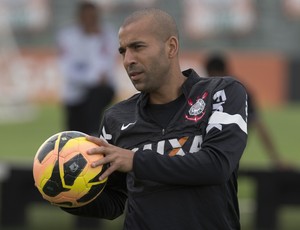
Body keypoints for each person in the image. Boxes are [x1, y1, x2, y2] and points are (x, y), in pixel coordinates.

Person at [62, 8, 248, 230]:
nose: (128, 60)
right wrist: (66, 194)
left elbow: (217, 165)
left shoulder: (221, 92)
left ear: (171, 47)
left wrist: (135, 161)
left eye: (137, 47)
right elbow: (115, 202)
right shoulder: (115, 118)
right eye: (122, 51)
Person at [204, 53, 289, 169]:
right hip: (230, 146)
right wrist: (275, 157)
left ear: (211, 72)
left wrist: (274, 158)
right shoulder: (241, 90)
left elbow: (258, 123)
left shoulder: (207, 90)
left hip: (218, 146)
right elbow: (258, 124)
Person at [57, 1, 118, 136]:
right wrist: (92, 77)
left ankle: (95, 135)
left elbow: (105, 67)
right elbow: (67, 69)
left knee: (93, 118)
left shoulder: (107, 35)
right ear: (80, 17)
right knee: (73, 133)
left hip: (99, 91)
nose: (90, 21)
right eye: (87, 17)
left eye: (93, 17)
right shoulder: (68, 36)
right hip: (74, 95)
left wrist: (94, 40)